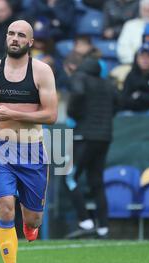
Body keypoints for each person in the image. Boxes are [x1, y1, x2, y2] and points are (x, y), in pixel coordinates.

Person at [0, 20, 58, 263]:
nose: (14, 38)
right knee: (4, 206)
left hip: (33, 150)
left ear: (30, 42)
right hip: (2, 149)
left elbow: (51, 115)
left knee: (33, 217)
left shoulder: (42, 71)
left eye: (21, 35)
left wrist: (13, 113)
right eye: (11, 33)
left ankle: (30, 226)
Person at [64, 56, 117, 240]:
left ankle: (85, 221)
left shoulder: (79, 77)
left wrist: (73, 113)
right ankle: (103, 227)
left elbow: (77, 94)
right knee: (97, 181)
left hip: (84, 135)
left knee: (69, 177)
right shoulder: (107, 84)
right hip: (104, 137)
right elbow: (119, 103)